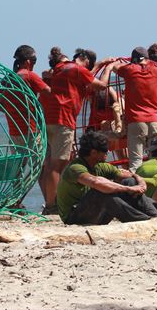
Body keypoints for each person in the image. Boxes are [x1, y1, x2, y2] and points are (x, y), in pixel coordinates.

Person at [39, 47, 109, 214]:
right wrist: (109, 69)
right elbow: (101, 86)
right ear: (86, 62)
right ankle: (53, 207)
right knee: (57, 166)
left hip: (47, 119)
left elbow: (83, 76)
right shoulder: (76, 69)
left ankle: (50, 202)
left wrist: (98, 64)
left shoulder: (58, 70)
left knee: (48, 164)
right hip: (63, 120)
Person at [56, 131, 157, 225]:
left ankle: (155, 216)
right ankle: (141, 220)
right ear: (94, 153)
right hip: (74, 217)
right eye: (105, 152)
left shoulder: (100, 166)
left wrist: (140, 181)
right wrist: (129, 189)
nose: (108, 153)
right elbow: (96, 182)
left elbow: (129, 175)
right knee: (101, 193)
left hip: (95, 213)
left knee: (130, 181)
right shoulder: (75, 168)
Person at [101, 47, 157, 172]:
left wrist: (116, 61)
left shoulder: (129, 69)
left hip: (136, 121)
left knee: (135, 163)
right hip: (156, 121)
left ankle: (138, 189)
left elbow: (115, 67)